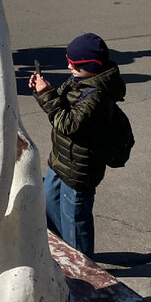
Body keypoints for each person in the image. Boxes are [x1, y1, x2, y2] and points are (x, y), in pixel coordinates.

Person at [28, 32, 126, 258]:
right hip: (60, 161)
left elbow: (67, 123)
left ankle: (83, 267)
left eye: (74, 63)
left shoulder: (97, 96)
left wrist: (46, 95)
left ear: (91, 65)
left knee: (74, 221)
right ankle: (61, 255)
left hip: (79, 171)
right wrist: (44, 91)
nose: (69, 65)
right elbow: (59, 103)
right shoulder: (79, 80)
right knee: (51, 207)